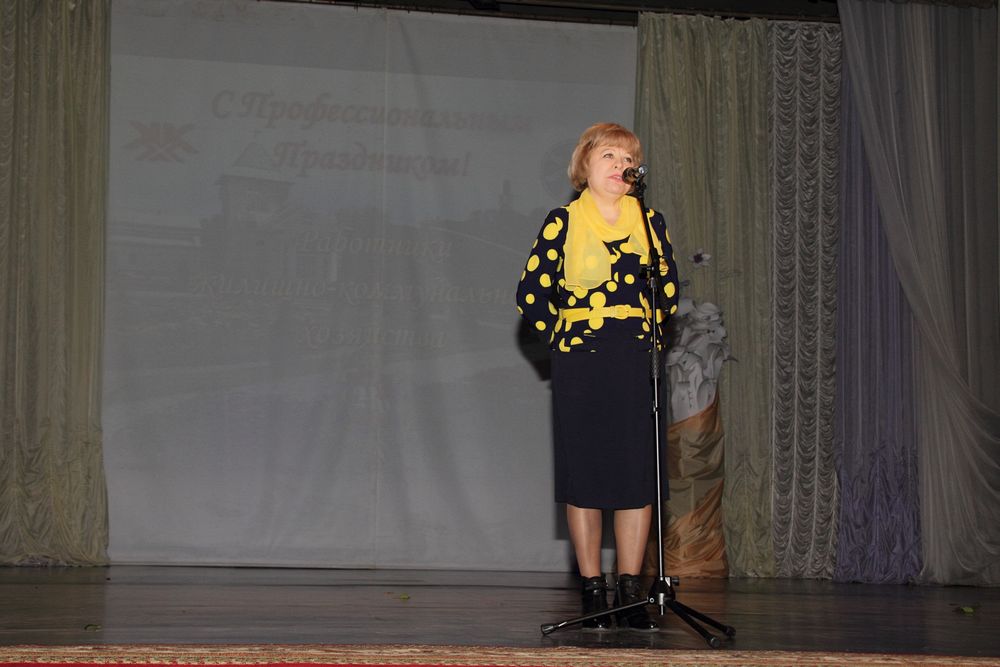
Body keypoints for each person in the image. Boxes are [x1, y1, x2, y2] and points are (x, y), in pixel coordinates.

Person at [516, 122, 679, 631]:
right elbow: (530, 293)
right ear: (583, 165)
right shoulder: (562, 222)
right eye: (609, 155)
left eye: (628, 158)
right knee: (584, 478)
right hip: (583, 361)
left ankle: (629, 592)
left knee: (637, 478)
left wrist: (647, 330)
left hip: (634, 359)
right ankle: (592, 591)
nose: (620, 165)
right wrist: (563, 338)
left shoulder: (650, 222)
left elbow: (670, 292)